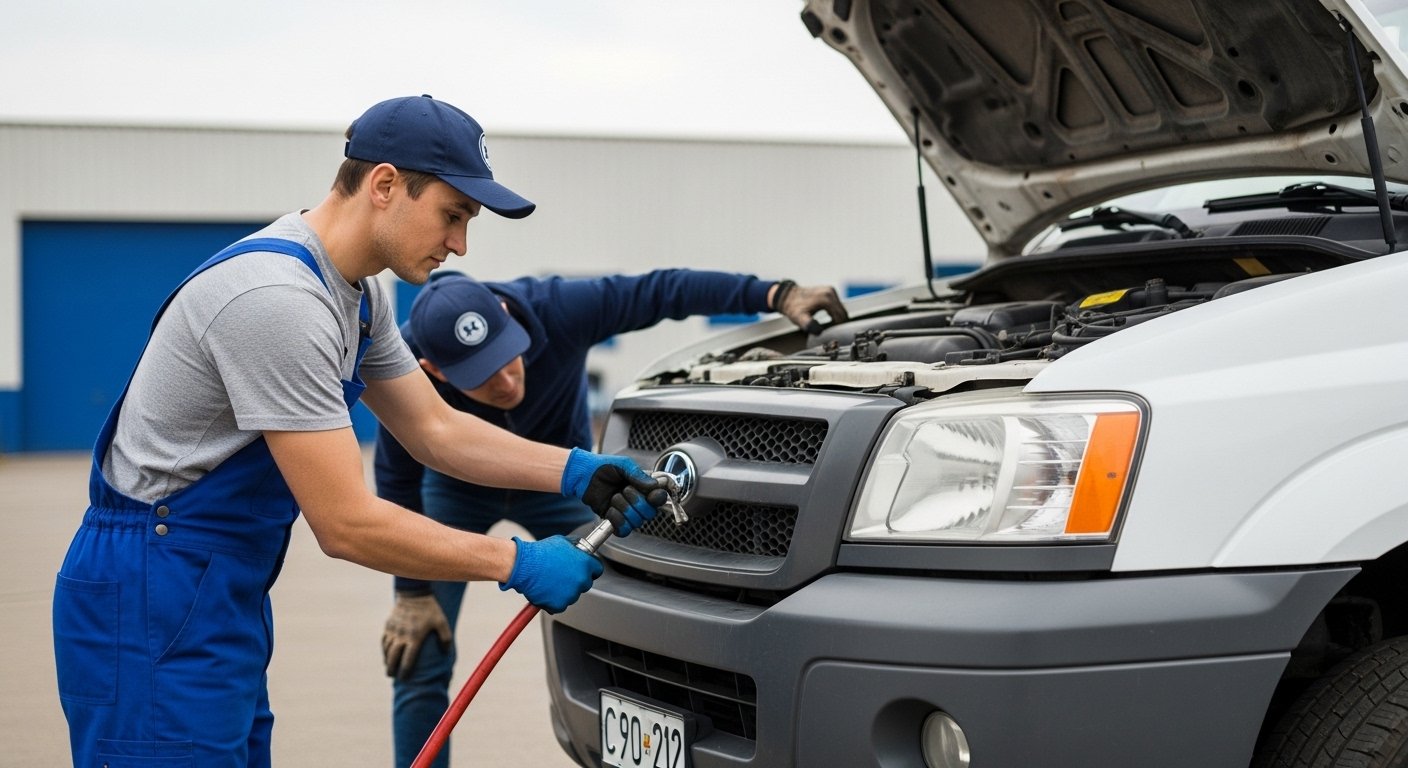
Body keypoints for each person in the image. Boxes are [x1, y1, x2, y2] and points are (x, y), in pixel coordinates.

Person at [50, 94, 667, 768]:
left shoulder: (358, 291)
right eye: (453, 216)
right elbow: (346, 523)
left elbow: (435, 429)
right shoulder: (279, 302)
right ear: (385, 185)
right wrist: (518, 563)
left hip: (215, 590)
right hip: (149, 590)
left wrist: (576, 469)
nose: (460, 244)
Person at [375, 269, 848, 767]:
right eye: (482, 375)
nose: (507, 379)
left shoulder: (560, 308)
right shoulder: (403, 358)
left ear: (509, 317)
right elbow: (395, 475)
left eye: (507, 356)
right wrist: (411, 593)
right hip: (457, 492)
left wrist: (775, 293)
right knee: (420, 648)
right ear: (436, 371)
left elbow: (663, 291)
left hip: (561, 480)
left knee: (631, 614)